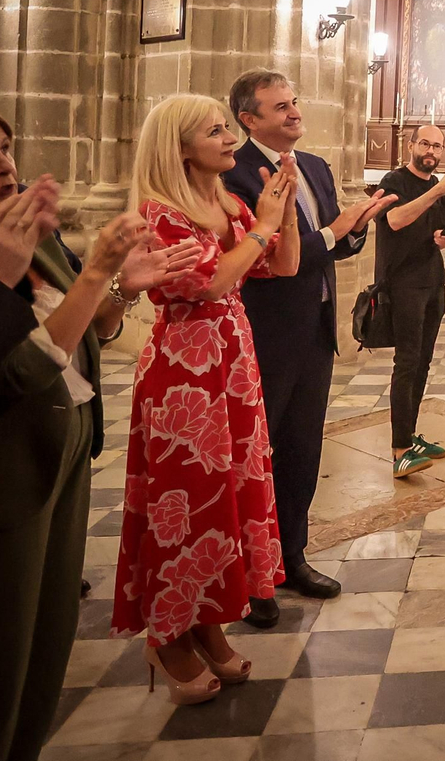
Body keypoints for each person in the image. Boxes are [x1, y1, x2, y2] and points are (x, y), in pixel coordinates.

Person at [0, 102, 197, 760]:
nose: (9, 165)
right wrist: (98, 267)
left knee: (47, 645)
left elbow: (87, 324)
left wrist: (121, 288)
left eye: (9, 147)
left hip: (66, 455)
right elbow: (14, 370)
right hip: (4, 475)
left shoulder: (31, 236)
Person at [111, 94, 301, 705]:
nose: (228, 138)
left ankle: (207, 623)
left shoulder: (230, 203)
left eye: (227, 127)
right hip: (183, 376)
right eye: (215, 130)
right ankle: (168, 634)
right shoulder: (158, 213)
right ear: (179, 147)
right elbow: (212, 281)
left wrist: (284, 212)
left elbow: (284, 267)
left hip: (232, 366)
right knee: (185, 501)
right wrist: (263, 229)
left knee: (224, 499)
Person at [222, 70, 397, 627]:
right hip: (265, 333)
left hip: (315, 330)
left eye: (294, 102)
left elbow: (332, 247)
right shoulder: (236, 176)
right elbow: (265, 259)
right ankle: (253, 576)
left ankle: (291, 555)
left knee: (301, 449)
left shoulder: (315, 168)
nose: (294, 112)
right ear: (250, 120)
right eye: (280, 107)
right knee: (259, 454)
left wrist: (358, 227)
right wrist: (336, 230)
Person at [374, 125, 445, 477]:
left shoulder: (435, 187)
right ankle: (399, 450)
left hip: (433, 282)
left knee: (422, 362)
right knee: (406, 363)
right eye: (425, 143)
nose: (431, 151)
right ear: (411, 145)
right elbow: (394, 220)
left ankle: (410, 434)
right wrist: (436, 190)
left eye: (437, 146)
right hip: (403, 285)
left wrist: (442, 239)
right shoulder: (394, 181)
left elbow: (433, 231)